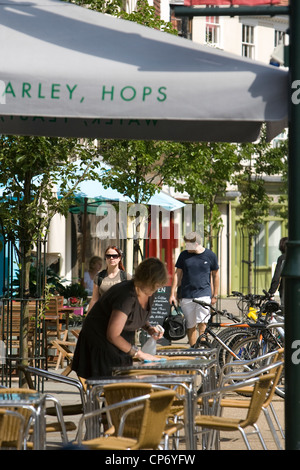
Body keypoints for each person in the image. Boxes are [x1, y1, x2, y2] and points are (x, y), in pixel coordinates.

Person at [72, 257, 168, 378]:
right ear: (145, 280)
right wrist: (139, 354)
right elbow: (113, 335)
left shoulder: (148, 293)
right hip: (100, 343)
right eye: (154, 286)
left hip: (119, 342)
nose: (156, 289)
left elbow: (134, 314)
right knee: (111, 387)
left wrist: (148, 328)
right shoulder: (127, 296)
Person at [169, 231, 219, 347]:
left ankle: (202, 348)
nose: (186, 247)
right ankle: (193, 350)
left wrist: (215, 294)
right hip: (187, 295)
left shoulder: (210, 255)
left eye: (188, 244)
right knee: (190, 326)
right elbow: (177, 274)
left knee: (202, 323)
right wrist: (172, 293)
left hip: (204, 294)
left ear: (196, 243)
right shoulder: (183, 255)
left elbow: (216, 275)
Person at [87, 245, 131, 313]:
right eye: (108, 256)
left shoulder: (126, 277)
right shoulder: (99, 277)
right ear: (105, 258)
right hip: (102, 317)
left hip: (120, 317)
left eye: (114, 256)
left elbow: (133, 299)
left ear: (119, 258)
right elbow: (94, 300)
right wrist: (87, 318)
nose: (111, 258)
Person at [268, 237, 288, 305]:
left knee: (285, 311)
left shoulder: (282, 258)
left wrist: (271, 292)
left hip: (285, 290)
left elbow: (277, 277)